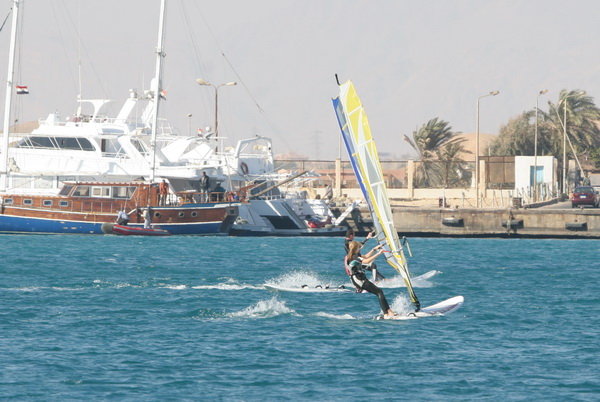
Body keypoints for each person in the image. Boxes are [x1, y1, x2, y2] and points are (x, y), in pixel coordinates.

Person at [346, 241, 396, 319]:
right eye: (359, 247)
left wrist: (373, 249)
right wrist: (378, 253)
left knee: (379, 292)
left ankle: (388, 311)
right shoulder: (354, 257)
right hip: (359, 280)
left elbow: (365, 256)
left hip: (360, 279)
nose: (360, 248)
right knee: (379, 292)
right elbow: (367, 261)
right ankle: (387, 313)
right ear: (356, 248)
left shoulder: (355, 255)